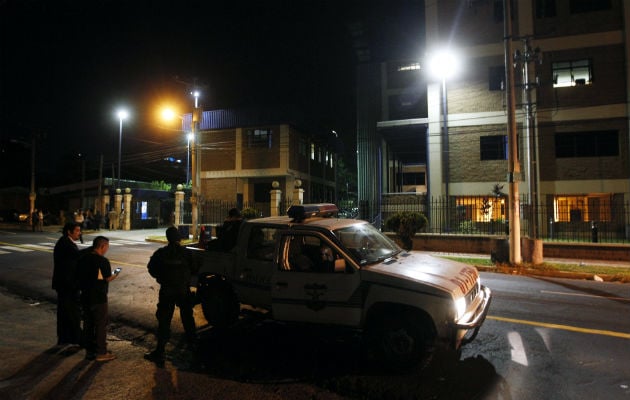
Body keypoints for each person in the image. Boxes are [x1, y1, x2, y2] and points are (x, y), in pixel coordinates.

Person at [144, 226, 197, 367]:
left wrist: (161, 277)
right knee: (187, 318)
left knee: (164, 320)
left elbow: (151, 268)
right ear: (179, 238)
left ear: (167, 238)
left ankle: (160, 351)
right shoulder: (186, 253)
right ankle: (193, 346)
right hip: (182, 290)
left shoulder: (161, 253)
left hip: (167, 290)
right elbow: (195, 268)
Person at [77, 236, 118, 362]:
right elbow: (107, 278)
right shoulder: (102, 261)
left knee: (88, 324)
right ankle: (101, 352)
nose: (107, 249)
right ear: (102, 246)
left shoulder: (83, 258)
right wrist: (116, 273)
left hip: (85, 295)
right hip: (98, 297)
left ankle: (90, 351)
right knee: (100, 324)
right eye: (107, 247)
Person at [52, 222, 83, 347]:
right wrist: (95, 249)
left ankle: (64, 338)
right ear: (69, 232)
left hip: (64, 283)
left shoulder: (65, 242)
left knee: (65, 312)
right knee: (72, 312)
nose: (79, 233)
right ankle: (75, 339)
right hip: (67, 284)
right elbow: (77, 255)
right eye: (77, 231)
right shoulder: (65, 243)